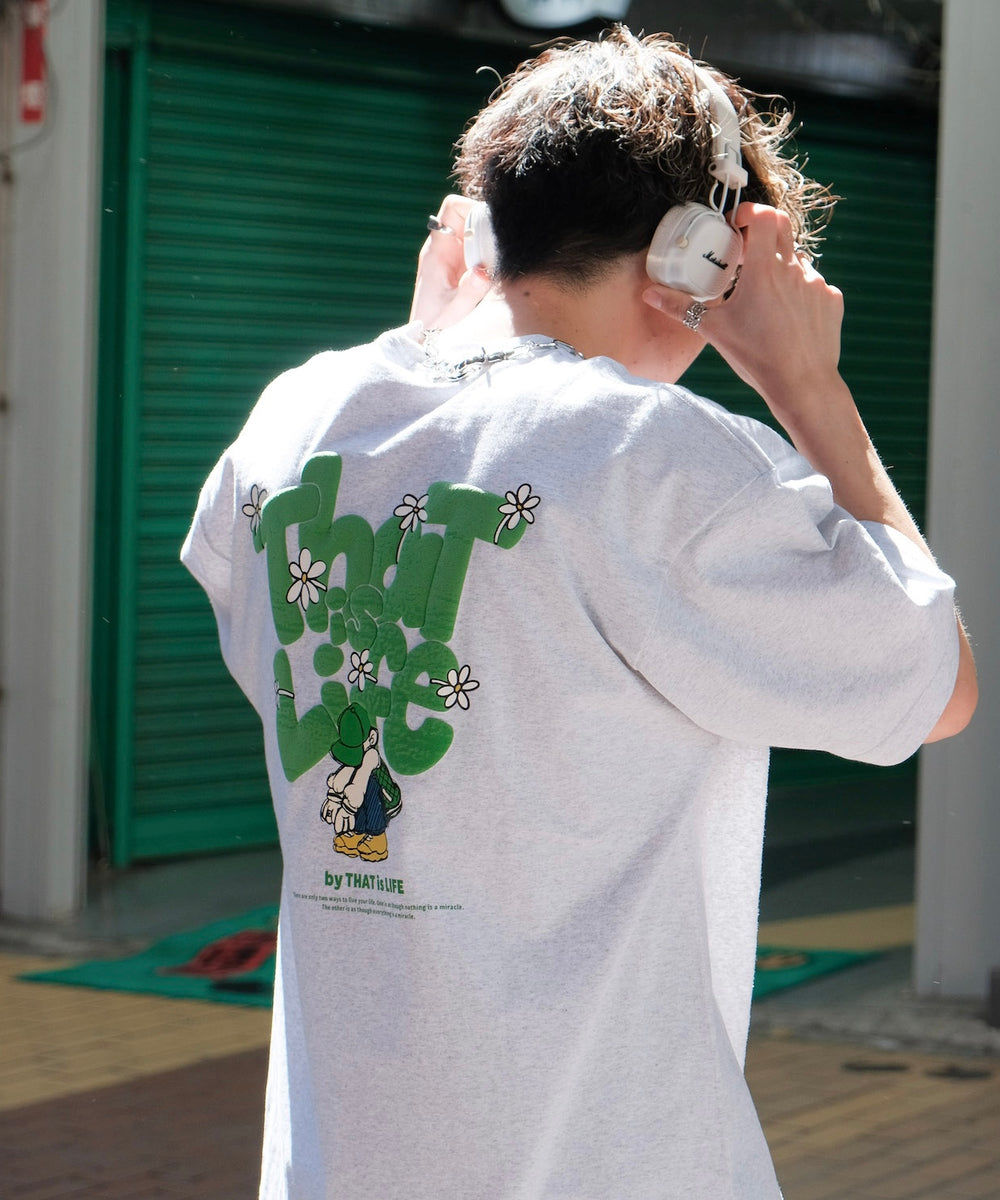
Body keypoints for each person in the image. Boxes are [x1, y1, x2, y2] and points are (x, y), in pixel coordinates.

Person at [181, 27, 976, 1200]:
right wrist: (807, 384)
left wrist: (432, 341)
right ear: (700, 255)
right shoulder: (657, 459)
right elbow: (936, 683)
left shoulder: (293, 422)